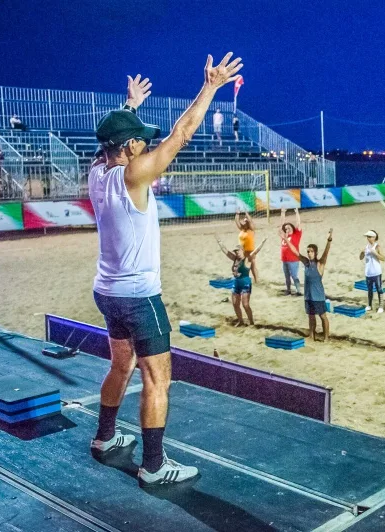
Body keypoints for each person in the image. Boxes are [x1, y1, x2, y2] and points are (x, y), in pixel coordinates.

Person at [87, 55, 243, 489]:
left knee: (121, 365)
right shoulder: (134, 175)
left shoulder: (97, 171)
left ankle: (104, 438)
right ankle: (154, 466)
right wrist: (210, 87)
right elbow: (182, 133)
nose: (143, 144)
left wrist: (130, 107)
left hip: (108, 291)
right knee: (157, 378)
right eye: (139, 140)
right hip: (139, 296)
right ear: (130, 149)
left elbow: (113, 139)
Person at [281, 228, 333, 341]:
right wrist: (286, 239)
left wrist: (329, 240)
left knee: (323, 316)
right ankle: (311, 335)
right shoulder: (306, 262)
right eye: (308, 251)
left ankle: (326, 338)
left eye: (311, 251)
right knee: (311, 317)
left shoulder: (320, 264)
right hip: (308, 295)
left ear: (315, 253)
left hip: (318, 296)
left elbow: (326, 253)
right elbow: (295, 252)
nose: (309, 253)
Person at [216, 236, 267, 326]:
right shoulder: (235, 259)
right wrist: (220, 242)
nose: (236, 252)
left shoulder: (247, 259)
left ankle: (251, 322)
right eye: (235, 251)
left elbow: (256, 251)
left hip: (245, 284)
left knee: (245, 305)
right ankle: (241, 321)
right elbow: (226, 251)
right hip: (235, 283)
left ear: (242, 250)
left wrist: (262, 242)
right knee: (235, 304)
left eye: (238, 250)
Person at [360, 230, 385, 312]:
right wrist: (362, 253)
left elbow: (383, 258)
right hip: (368, 272)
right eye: (367, 237)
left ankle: (381, 306)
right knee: (369, 289)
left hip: (376, 272)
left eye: (369, 237)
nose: (368, 238)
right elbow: (360, 258)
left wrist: (375, 253)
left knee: (379, 289)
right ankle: (369, 305)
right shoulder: (366, 247)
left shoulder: (377, 247)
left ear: (374, 237)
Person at [280, 207, 303, 296]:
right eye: (286, 229)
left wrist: (297, 212)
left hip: (293, 260)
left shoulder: (296, 234)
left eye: (289, 228)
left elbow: (298, 223)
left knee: (294, 276)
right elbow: (281, 224)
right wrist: (282, 213)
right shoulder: (284, 236)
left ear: (293, 229)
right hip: (285, 260)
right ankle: (288, 290)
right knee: (287, 276)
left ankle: (298, 291)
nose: (287, 229)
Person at [234, 209, 259, 283]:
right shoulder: (242, 229)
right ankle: (244, 279)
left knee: (252, 266)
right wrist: (237, 214)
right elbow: (236, 221)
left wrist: (246, 213)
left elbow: (250, 221)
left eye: (246, 221)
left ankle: (256, 280)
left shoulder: (251, 229)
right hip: (242, 251)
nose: (244, 222)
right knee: (242, 266)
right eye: (244, 221)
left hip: (250, 250)